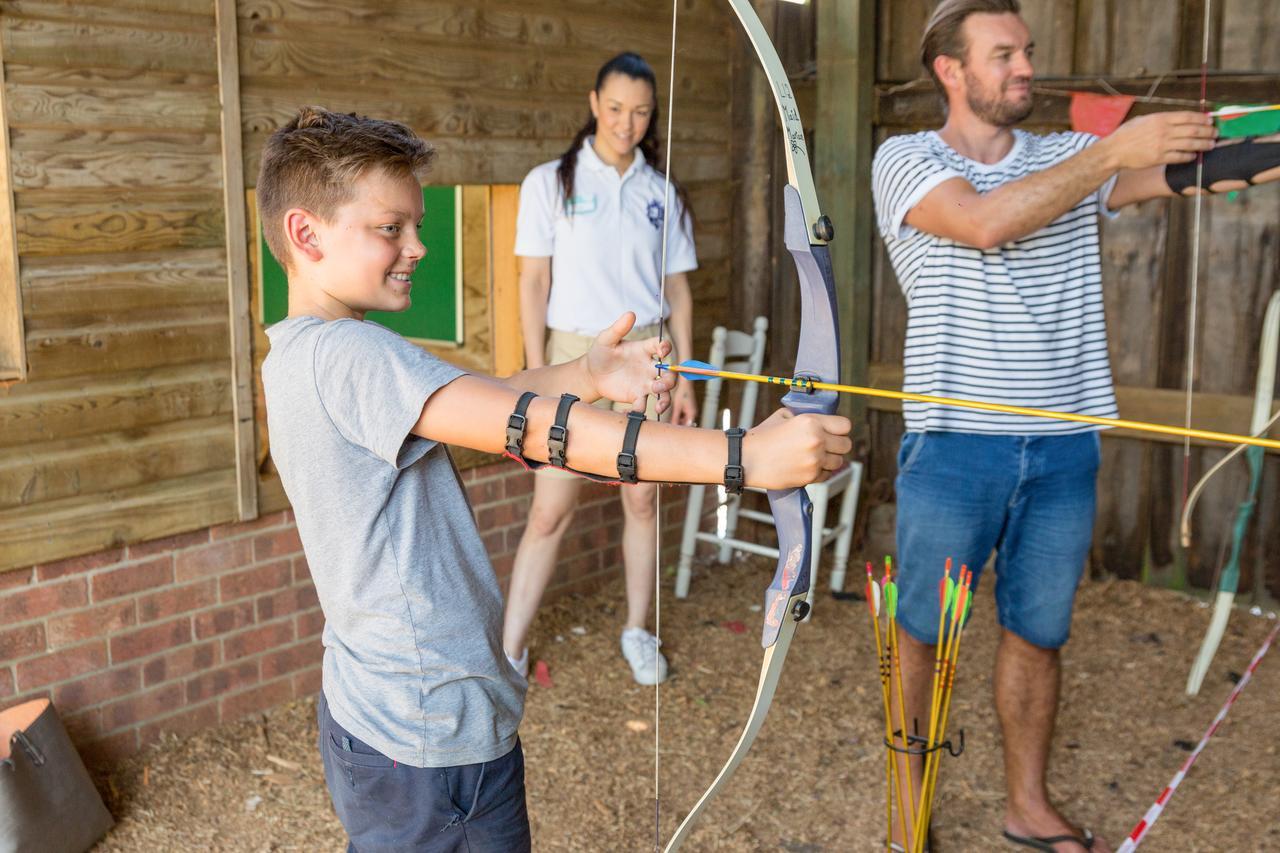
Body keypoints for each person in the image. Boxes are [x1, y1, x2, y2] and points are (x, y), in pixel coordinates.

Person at [258, 106, 852, 852]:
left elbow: (488, 401)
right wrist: (742, 458)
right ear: (306, 234)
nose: (418, 245)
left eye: (416, 225)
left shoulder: (304, 355)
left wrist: (585, 372)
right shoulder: (350, 355)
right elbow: (537, 429)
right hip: (428, 744)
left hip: (382, 720)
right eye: (391, 228)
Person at [871, 1, 1280, 851]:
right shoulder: (905, 159)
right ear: (951, 70)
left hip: (1063, 446)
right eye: (1002, 53)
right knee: (922, 635)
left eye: (1027, 50)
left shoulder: (1068, 156)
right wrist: (1113, 151)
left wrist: (1249, 144)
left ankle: (1026, 804)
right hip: (954, 445)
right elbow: (986, 223)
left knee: (1039, 631)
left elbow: (1198, 170)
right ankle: (909, 813)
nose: (1025, 65)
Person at [504, 52, 700, 686]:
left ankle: (638, 631)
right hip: (571, 355)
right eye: (615, 108)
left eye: (641, 111)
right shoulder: (549, 183)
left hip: (648, 357)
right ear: (593, 104)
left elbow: (679, 291)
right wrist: (540, 372)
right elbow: (532, 282)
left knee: (642, 502)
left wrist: (689, 373)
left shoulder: (661, 192)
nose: (627, 122)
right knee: (549, 511)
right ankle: (508, 648)